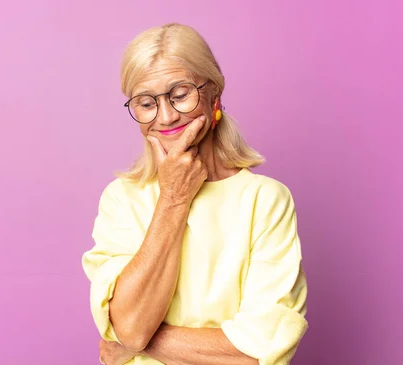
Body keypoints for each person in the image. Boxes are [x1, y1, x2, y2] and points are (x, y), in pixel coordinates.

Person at [81, 23, 308, 365]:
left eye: (181, 94)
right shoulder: (121, 199)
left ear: (213, 92)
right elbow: (129, 327)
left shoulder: (265, 201)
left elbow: (257, 353)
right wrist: (173, 197)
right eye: (146, 103)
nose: (168, 116)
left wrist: (139, 343)